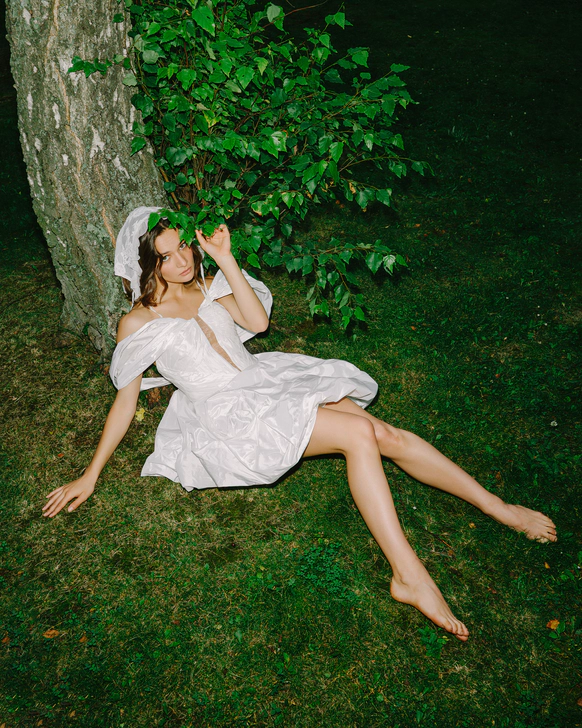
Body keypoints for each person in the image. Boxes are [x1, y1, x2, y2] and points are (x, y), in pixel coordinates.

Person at [42, 206, 557, 640]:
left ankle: (498, 506)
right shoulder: (138, 322)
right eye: (166, 256)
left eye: (185, 247)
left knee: (385, 434)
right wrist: (90, 474)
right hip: (230, 415)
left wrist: (225, 258)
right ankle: (409, 575)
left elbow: (258, 323)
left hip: (264, 380)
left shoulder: (206, 283)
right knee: (360, 433)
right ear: (146, 264)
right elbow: (125, 402)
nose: (182, 261)